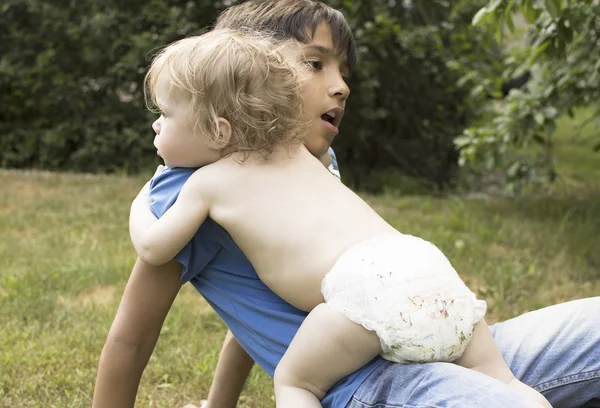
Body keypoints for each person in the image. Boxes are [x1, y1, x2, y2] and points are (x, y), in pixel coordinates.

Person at [93, 1, 600, 408]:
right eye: (314, 63)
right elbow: (132, 339)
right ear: (246, 80)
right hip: (373, 380)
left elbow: (262, 303)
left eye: (341, 68)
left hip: (425, 339)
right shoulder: (186, 187)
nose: (342, 84)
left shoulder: (311, 161)